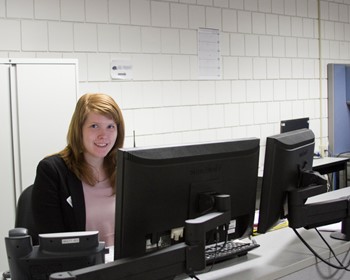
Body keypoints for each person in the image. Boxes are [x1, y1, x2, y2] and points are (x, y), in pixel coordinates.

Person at [32, 93, 125, 247]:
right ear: (79, 129)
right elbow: (53, 243)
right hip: (79, 267)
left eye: (110, 126)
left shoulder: (123, 168)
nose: (104, 135)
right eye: (94, 126)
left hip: (122, 265)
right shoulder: (52, 172)